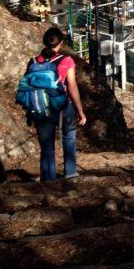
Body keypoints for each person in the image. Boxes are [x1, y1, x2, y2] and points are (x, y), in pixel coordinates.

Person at [28, 27, 87, 181]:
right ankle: (70, 174)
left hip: (41, 108)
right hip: (63, 107)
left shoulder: (34, 62)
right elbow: (72, 87)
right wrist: (80, 111)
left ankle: (48, 179)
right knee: (69, 138)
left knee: (46, 145)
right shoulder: (67, 61)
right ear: (60, 43)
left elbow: (29, 87)